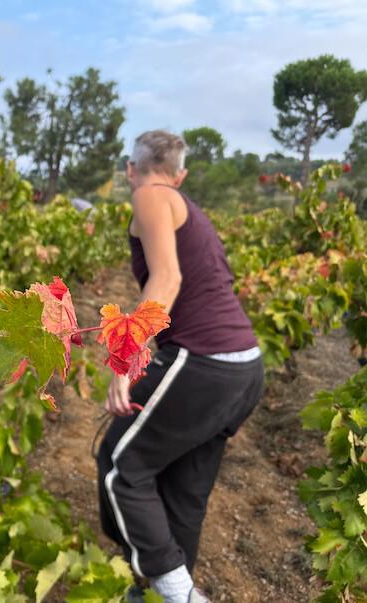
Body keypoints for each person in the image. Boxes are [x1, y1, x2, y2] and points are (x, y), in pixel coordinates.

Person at [96, 130, 264, 603]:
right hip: (244, 367)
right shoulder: (190, 208)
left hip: (203, 362)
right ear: (182, 173)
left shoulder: (151, 195)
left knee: (121, 463)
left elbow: (167, 279)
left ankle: (177, 595)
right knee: (182, 488)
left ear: (131, 169)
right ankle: (157, 590)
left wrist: (126, 359)